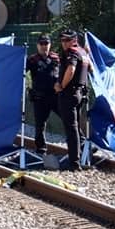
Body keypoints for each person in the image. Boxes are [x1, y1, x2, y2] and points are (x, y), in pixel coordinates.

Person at [54, 29, 90, 170]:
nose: (64, 43)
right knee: (75, 126)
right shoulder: (83, 53)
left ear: (74, 40)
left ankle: (74, 162)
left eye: (67, 40)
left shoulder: (72, 53)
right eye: (62, 40)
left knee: (71, 128)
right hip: (80, 93)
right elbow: (90, 69)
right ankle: (81, 155)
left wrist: (61, 85)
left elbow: (71, 69)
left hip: (69, 93)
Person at [25, 34, 60, 155]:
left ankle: (80, 145)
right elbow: (21, 71)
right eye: (42, 44)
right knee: (40, 125)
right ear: (37, 45)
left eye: (46, 44)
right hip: (39, 97)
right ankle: (41, 149)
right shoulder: (32, 59)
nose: (44, 46)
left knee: (69, 120)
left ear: (50, 45)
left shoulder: (56, 57)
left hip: (55, 96)